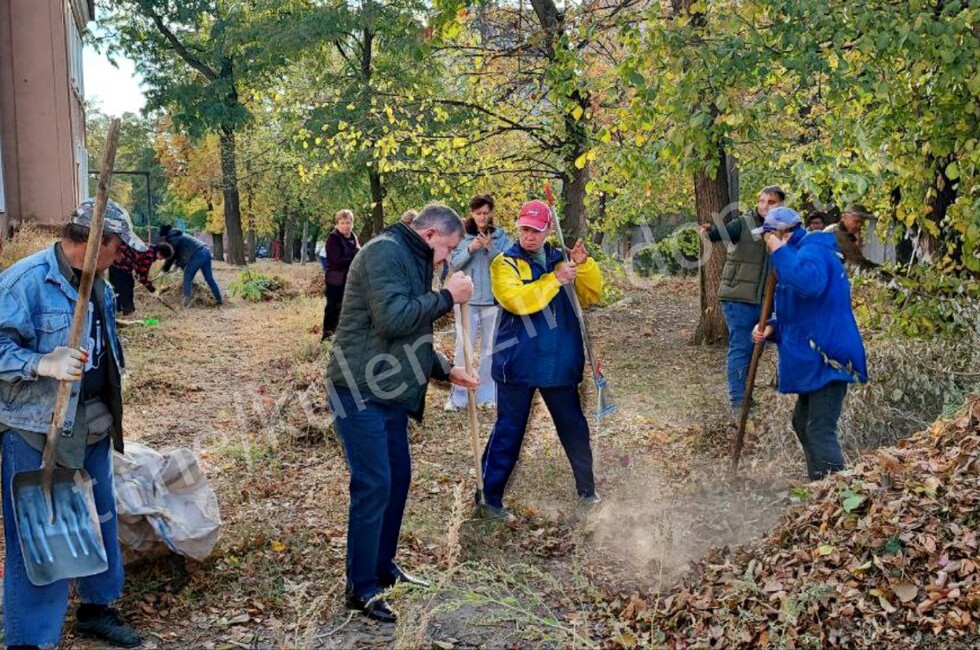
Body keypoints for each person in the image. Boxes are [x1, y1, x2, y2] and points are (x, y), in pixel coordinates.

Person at [0, 199, 143, 649]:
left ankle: (96, 609)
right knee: (39, 533)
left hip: (93, 424)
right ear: (98, 240)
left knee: (100, 518)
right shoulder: (25, 282)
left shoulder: (98, 283)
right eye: (118, 246)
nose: (121, 256)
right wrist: (42, 363)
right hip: (37, 428)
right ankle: (30, 639)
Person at [325, 204, 478, 623]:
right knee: (374, 484)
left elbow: (411, 332)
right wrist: (448, 297)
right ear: (429, 235)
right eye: (448, 248)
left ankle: (382, 567)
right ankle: (361, 587)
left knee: (397, 479)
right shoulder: (383, 252)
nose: (448, 258)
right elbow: (393, 320)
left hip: (388, 391)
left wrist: (445, 369)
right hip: (357, 390)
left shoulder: (412, 257)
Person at [479, 199, 603, 521]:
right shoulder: (504, 263)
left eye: (535, 230)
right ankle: (489, 498)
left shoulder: (562, 259)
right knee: (508, 431)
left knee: (574, 429)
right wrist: (555, 279)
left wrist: (584, 266)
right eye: (524, 229)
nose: (529, 236)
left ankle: (588, 492)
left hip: (559, 362)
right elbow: (517, 301)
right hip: (516, 363)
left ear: (548, 229)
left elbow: (591, 296)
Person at [751, 207, 868, 480]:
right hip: (816, 352)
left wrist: (778, 250)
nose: (765, 242)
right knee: (802, 422)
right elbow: (803, 310)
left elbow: (809, 284)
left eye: (767, 236)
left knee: (819, 428)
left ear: (781, 233)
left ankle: (837, 492)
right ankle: (820, 485)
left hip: (830, 355)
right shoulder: (796, 255)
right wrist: (772, 327)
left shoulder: (813, 249)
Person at [699, 185, 784, 417]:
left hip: (766, 301)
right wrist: (711, 231)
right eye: (762, 201)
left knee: (757, 348)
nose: (765, 206)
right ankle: (738, 401)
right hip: (739, 298)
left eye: (771, 202)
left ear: (781, 205)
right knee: (742, 347)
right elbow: (722, 233)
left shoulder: (783, 229)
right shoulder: (744, 224)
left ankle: (747, 396)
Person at [445, 195, 512, 410]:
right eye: (478, 213)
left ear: (491, 213)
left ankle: (486, 395)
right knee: (463, 347)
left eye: (485, 213)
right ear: (472, 213)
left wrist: (490, 248)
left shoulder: (500, 236)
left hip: (493, 301)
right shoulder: (461, 236)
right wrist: (470, 249)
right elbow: (453, 265)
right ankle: (459, 397)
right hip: (467, 302)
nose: (482, 217)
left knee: (490, 350)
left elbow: (508, 264)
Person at [158, 224, 223, 307]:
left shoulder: (173, 238)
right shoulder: (177, 235)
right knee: (209, 279)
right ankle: (219, 300)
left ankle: (186, 302)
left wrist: (165, 269)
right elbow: (180, 255)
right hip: (205, 251)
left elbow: (172, 256)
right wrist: (177, 265)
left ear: (164, 236)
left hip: (198, 254)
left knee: (187, 277)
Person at [321, 210, 360, 341]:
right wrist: (353, 257)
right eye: (342, 223)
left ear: (352, 223)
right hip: (335, 280)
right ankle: (327, 334)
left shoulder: (353, 237)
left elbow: (359, 254)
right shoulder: (333, 239)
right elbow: (336, 261)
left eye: (348, 222)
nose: (345, 226)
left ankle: (342, 335)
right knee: (333, 307)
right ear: (337, 224)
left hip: (350, 279)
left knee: (346, 307)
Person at [108, 241, 163, 316]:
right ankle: (125, 310)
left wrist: (138, 273)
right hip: (120, 267)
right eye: (162, 257)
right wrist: (152, 290)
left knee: (127, 285)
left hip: (116, 265)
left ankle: (120, 309)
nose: (160, 260)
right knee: (125, 288)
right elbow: (143, 276)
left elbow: (138, 263)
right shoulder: (149, 255)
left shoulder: (148, 247)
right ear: (159, 253)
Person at [824, 203, 878, 270]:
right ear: (844, 217)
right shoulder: (835, 232)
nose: (859, 226)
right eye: (856, 221)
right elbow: (856, 261)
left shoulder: (848, 234)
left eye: (862, 222)